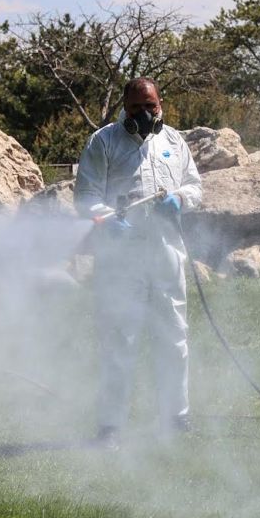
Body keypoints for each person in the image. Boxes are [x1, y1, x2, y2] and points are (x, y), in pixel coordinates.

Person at [75, 77, 203, 445]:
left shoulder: (174, 141)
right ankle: (110, 427)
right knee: (120, 339)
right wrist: (108, 220)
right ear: (124, 108)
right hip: (121, 259)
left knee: (174, 335)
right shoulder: (104, 142)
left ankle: (176, 418)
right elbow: (85, 197)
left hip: (165, 253)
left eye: (151, 107)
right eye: (137, 109)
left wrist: (180, 199)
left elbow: (194, 186)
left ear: (160, 104)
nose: (145, 115)